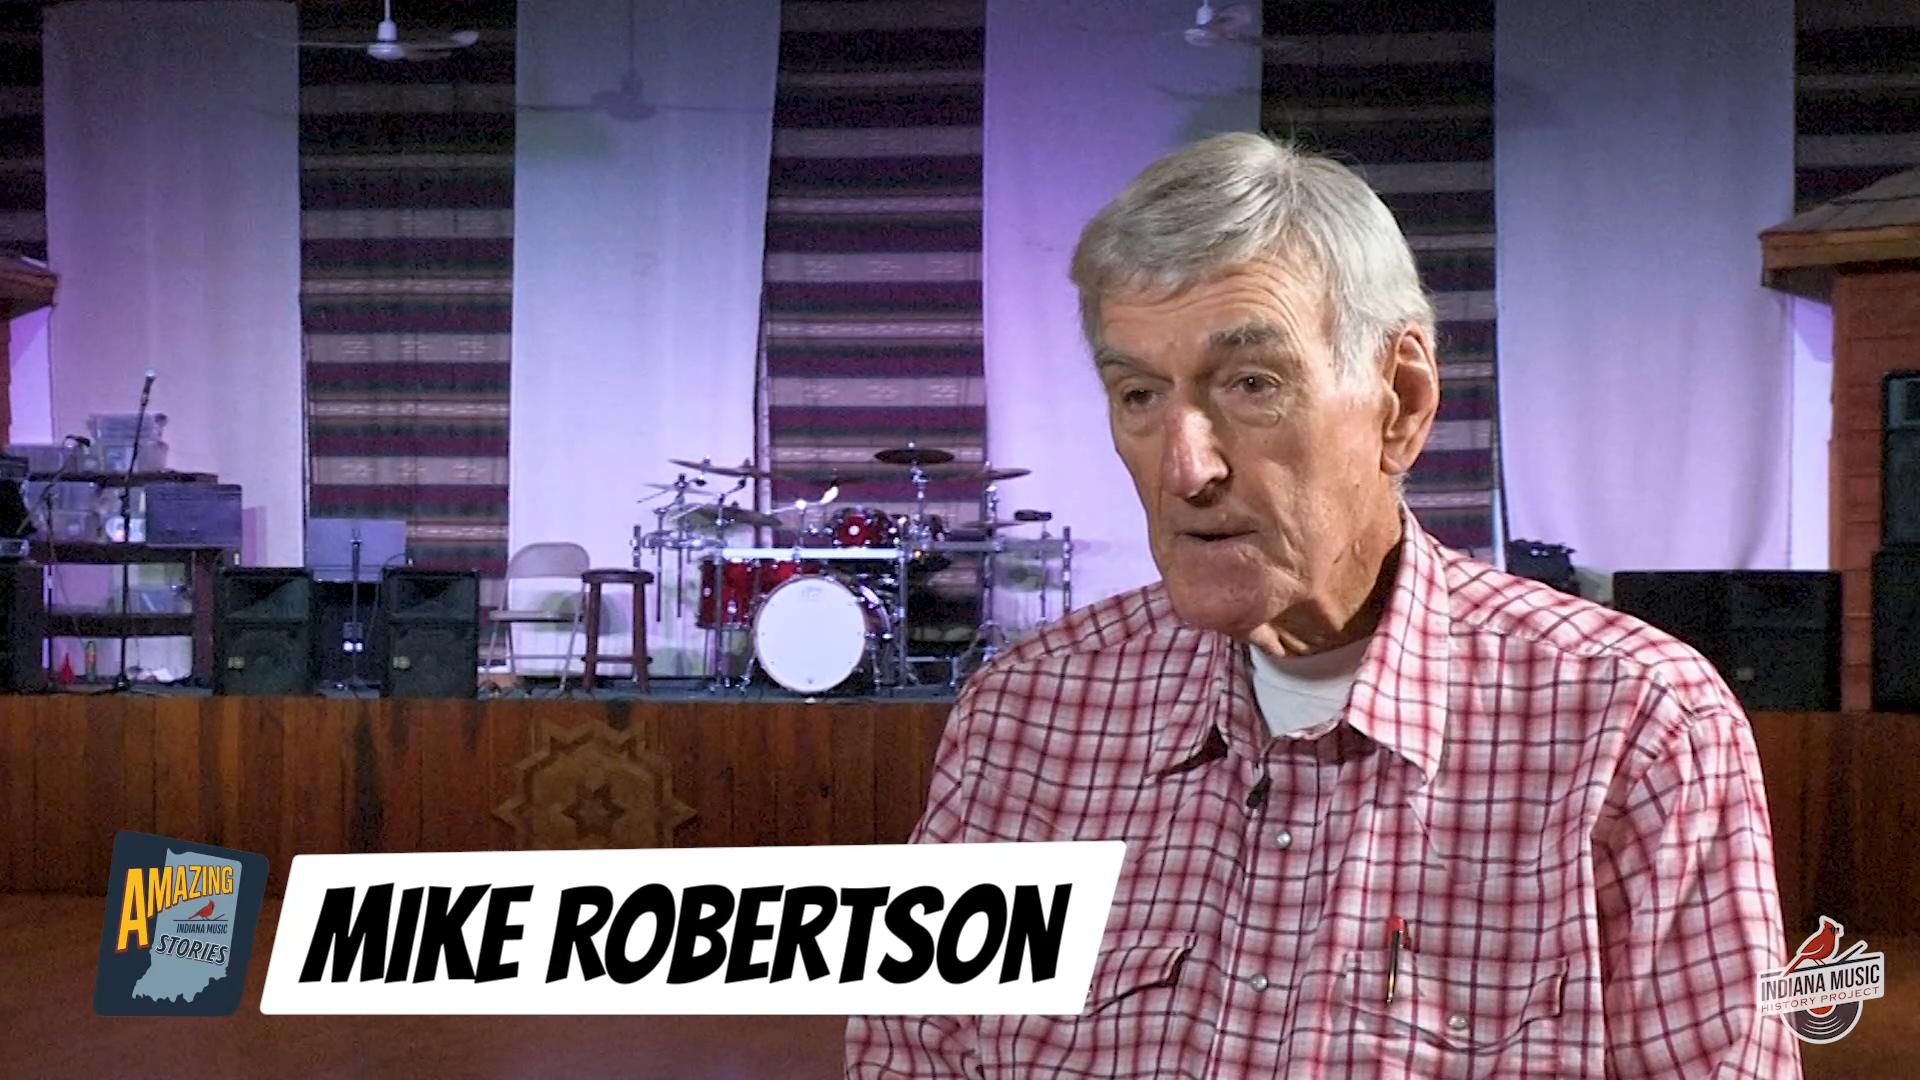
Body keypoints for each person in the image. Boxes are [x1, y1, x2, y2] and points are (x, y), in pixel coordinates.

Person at [845, 133, 1800, 1079]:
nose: (1186, 469)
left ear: (1402, 402)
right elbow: (907, 1059)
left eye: (1252, 385)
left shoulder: (1636, 726)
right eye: (1138, 394)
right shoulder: (1021, 716)